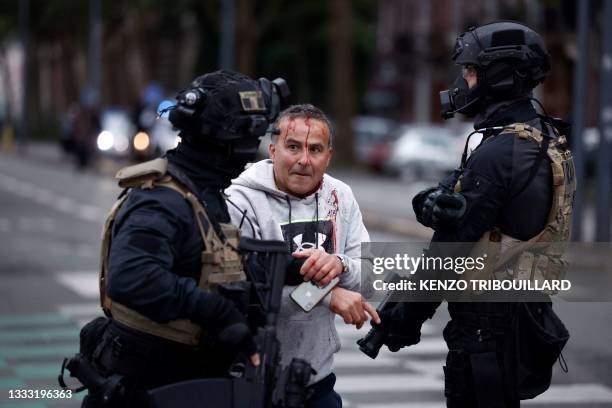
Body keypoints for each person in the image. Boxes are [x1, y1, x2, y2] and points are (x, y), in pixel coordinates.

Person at [375, 21, 574, 408]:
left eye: (470, 72)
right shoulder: (541, 137)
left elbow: (450, 250)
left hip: (487, 329)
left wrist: (405, 318)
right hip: (522, 314)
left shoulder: (500, 153)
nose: (462, 82)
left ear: (498, 77)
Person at [71, 70, 289, 407]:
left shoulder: (202, 190)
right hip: (149, 380)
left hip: (182, 376)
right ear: (227, 143)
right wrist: (217, 313)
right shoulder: (162, 198)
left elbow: (205, 261)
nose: (253, 151)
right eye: (251, 140)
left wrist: (287, 270)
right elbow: (131, 276)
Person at [226, 104, 380, 407]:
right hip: (251, 379)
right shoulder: (239, 200)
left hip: (317, 380)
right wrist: (327, 294)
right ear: (272, 149)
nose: (303, 160)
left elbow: (369, 276)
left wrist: (339, 264)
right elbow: (244, 290)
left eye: (315, 149)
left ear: (329, 156)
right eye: (293, 147)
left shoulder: (341, 196)